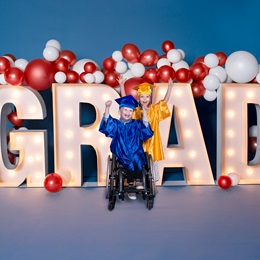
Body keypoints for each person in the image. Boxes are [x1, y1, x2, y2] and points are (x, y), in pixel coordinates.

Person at [99, 94, 154, 200]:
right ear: (119, 111)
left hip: (135, 150)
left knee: (137, 159)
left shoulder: (136, 124)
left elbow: (145, 126)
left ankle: (138, 181)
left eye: (130, 111)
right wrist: (107, 108)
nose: (128, 113)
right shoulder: (116, 124)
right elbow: (107, 122)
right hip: (121, 151)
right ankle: (130, 185)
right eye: (125, 110)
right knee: (129, 160)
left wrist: (145, 112)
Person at [119, 78, 173, 182]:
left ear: (150, 98)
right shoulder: (135, 110)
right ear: (138, 99)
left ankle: (152, 184)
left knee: (152, 164)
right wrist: (121, 85)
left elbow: (164, 102)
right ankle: (137, 181)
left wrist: (169, 88)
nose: (145, 99)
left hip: (152, 141)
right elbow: (125, 100)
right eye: (142, 97)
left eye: (147, 96)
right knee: (137, 162)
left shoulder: (154, 109)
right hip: (138, 142)